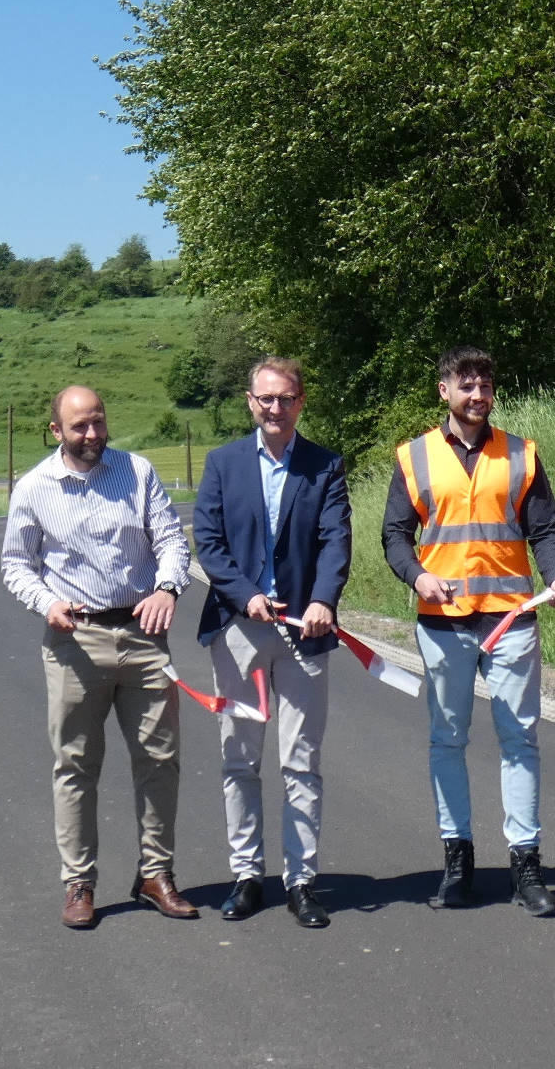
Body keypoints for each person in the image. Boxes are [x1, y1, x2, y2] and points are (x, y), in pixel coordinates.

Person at [382, 346, 555, 917]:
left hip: (511, 616)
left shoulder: (520, 453)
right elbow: (395, 534)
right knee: (448, 741)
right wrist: (417, 577)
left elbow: (545, 529)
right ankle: (458, 862)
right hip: (443, 624)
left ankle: (525, 866)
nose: (477, 395)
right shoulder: (413, 457)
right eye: (466, 385)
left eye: (485, 386)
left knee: (520, 740)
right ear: (445, 390)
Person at [1, 385, 198, 929]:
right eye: (79, 426)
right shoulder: (35, 488)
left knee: (160, 762)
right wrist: (47, 603)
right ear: (56, 431)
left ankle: (156, 875)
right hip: (75, 642)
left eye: (98, 422)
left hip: (141, 633)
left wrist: (167, 589)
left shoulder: (136, 473)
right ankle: (79, 883)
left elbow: (172, 542)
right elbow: (16, 564)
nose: (92, 435)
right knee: (76, 767)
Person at [193, 357, 352, 930]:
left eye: (285, 399)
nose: (275, 408)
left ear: (300, 401)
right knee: (239, 758)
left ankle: (302, 880)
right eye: (265, 399)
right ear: (250, 401)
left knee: (301, 761)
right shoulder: (222, 464)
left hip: (305, 632)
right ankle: (245, 875)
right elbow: (208, 544)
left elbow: (336, 539)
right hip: (238, 629)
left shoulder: (325, 466)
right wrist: (242, 594)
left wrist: (324, 600)